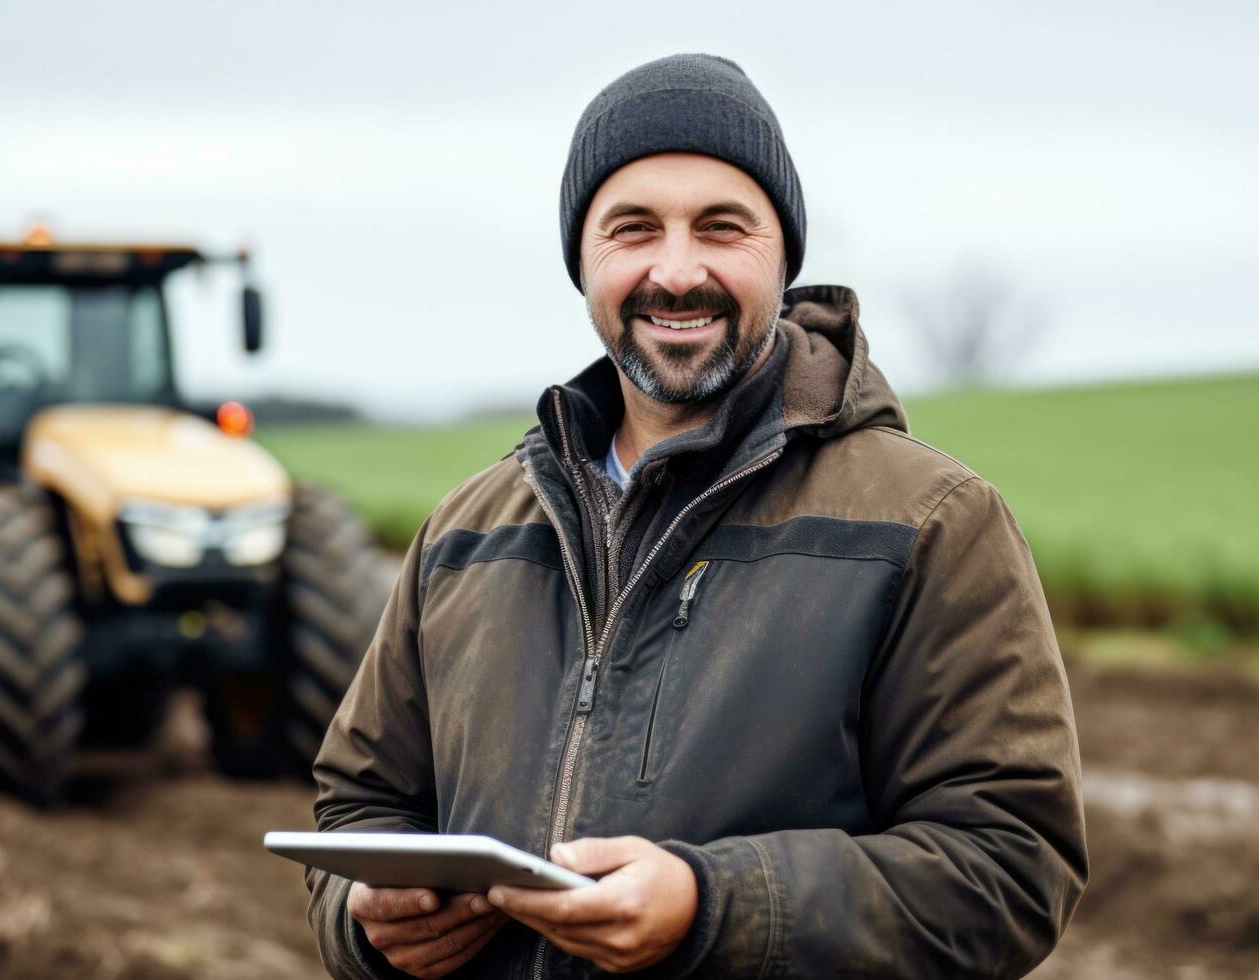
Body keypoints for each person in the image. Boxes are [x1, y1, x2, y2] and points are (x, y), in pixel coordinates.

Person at [305, 52, 1087, 979]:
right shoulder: (467, 533)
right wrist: (364, 924)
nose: (677, 273)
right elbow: (355, 808)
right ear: (583, 260)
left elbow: (1011, 867)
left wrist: (714, 909)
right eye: (633, 229)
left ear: (785, 255)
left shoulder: (931, 525)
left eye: (722, 228)